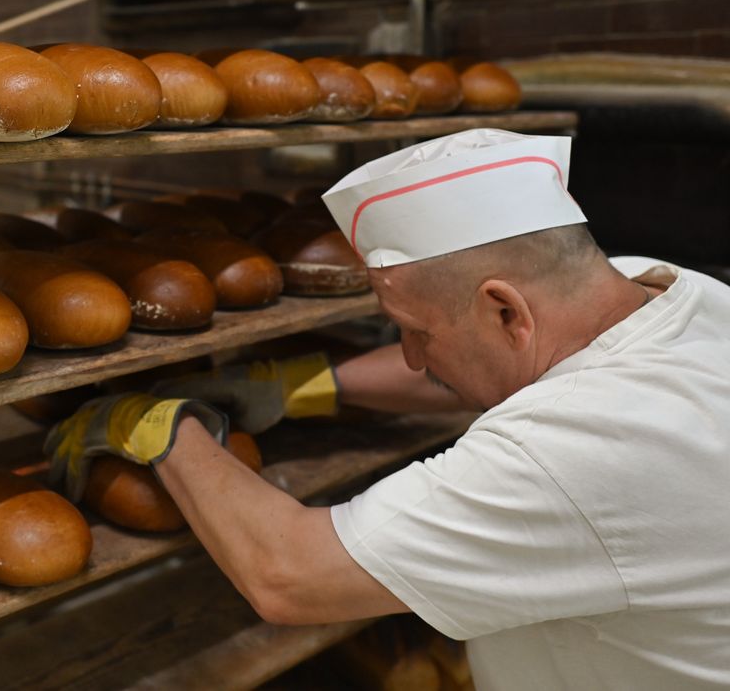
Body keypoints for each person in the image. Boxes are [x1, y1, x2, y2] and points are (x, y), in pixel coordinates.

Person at [47, 128, 730, 689]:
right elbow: (503, 366)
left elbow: (288, 573)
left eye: (416, 330)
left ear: (505, 309)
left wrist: (162, 426)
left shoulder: (577, 450)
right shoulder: (672, 295)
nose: (409, 356)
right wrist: (301, 382)